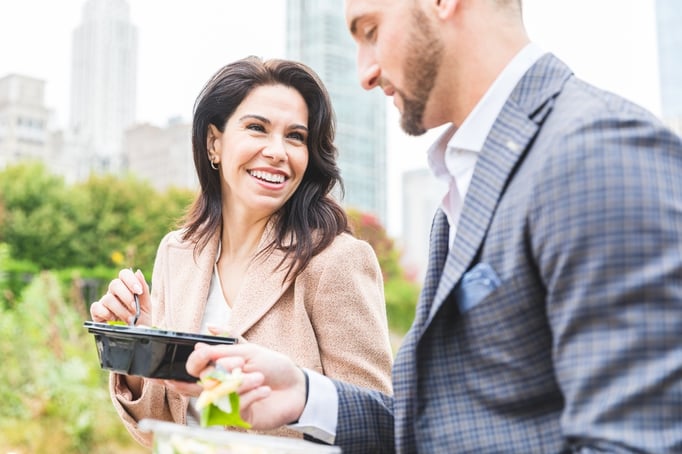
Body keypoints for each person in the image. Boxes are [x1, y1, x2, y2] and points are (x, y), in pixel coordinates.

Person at [186, 0, 682, 452]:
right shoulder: (463, 188)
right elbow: (449, 427)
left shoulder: (600, 154)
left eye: (371, 30)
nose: (365, 71)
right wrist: (307, 395)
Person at [89, 56, 394, 447]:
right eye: (257, 129)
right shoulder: (177, 253)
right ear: (214, 143)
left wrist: (241, 392)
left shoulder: (336, 260)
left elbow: (375, 426)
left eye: (296, 137)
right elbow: (165, 422)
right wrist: (140, 349)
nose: (277, 151)